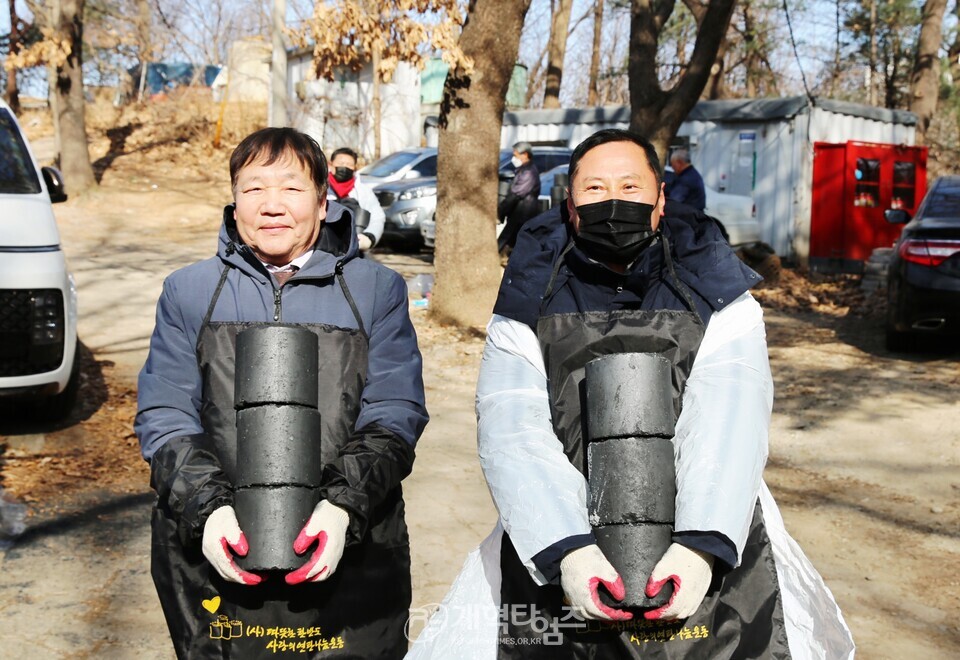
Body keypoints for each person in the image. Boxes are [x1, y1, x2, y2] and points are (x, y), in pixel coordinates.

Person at [406, 129, 854, 659]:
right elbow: (511, 423)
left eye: (630, 185)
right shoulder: (530, 294)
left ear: (661, 199)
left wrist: (701, 545)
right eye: (595, 188)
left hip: (704, 543)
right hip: (564, 539)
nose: (613, 201)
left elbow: (730, 414)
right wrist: (566, 548)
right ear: (570, 204)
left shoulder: (717, 289)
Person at [135, 127, 428, 659]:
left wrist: (342, 507)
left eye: (291, 188)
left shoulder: (375, 291)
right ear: (234, 202)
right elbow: (165, 412)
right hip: (217, 550)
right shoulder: (189, 291)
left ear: (323, 202)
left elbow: (394, 411)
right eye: (254, 189)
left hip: (351, 548)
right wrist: (208, 509)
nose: (272, 205)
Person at [327, 146, 385, 253]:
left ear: (355, 167)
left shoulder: (363, 192)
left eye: (349, 164)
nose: (345, 167)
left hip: (354, 250)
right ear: (331, 165)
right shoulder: (320, 188)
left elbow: (377, 217)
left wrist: (368, 237)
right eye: (341, 163)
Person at [497, 141, 541, 253]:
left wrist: (500, 211)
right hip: (518, 212)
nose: (514, 158)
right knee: (511, 241)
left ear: (525, 154)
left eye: (515, 155)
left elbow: (516, 193)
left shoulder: (529, 172)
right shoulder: (523, 170)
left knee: (506, 240)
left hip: (523, 213)